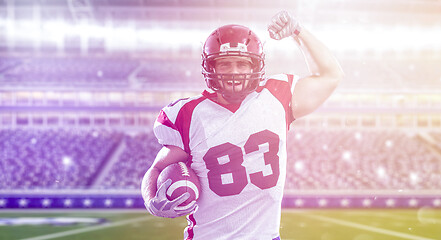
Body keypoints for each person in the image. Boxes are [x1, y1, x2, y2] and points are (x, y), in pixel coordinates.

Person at [141, 10, 344, 240]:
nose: (234, 72)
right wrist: (150, 199)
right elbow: (156, 169)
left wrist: (299, 32)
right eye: (225, 64)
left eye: (242, 63)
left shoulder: (278, 96)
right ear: (211, 67)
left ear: (256, 66)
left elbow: (330, 74)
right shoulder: (187, 114)